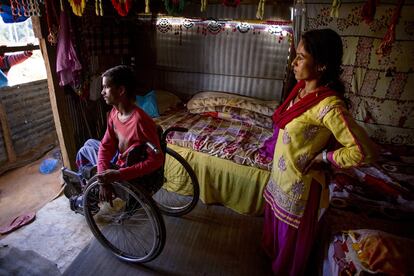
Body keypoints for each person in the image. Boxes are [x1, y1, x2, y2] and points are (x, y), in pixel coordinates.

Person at [261, 28, 377, 276]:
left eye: (301, 57)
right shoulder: (300, 90)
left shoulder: (328, 106)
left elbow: (364, 152)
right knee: (276, 239)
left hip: (299, 188)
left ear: (322, 65)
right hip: (281, 178)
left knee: (290, 248)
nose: (294, 62)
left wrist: (325, 157)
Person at [69, 65, 164, 212]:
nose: (102, 92)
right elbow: (106, 146)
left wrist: (118, 175)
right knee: (89, 143)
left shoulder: (140, 121)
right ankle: (93, 187)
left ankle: (89, 198)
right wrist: (103, 180)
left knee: (83, 152)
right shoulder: (115, 113)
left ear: (121, 90)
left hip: (124, 168)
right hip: (119, 157)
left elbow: (157, 160)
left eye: (106, 87)